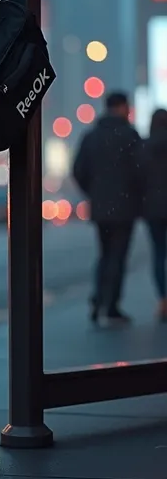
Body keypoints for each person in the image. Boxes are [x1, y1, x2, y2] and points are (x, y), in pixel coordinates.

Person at [73, 91, 141, 326]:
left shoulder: (91, 136)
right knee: (118, 257)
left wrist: (93, 193)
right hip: (125, 207)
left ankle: (98, 299)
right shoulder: (130, 136)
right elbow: (139, 171)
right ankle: (110, 305)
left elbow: (78, 170)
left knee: (104, 254)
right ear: (123, 108)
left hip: (100, 207)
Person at [139, 108, 167, 320]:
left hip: (153, 209)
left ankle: (163, 299)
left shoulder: (144, 146)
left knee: (158, 254)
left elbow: (136, 177)